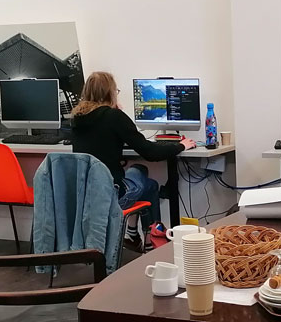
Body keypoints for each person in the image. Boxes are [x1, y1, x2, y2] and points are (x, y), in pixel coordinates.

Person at [70, 71, 194, 229]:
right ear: (110, 93)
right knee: (149, 184)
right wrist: (181, 146)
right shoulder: (114, 117)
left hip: (86, 195)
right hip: (113, 195)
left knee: (138, 169)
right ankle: (151, 238)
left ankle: (135, 234)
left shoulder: (76, 119)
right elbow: (150, 153)